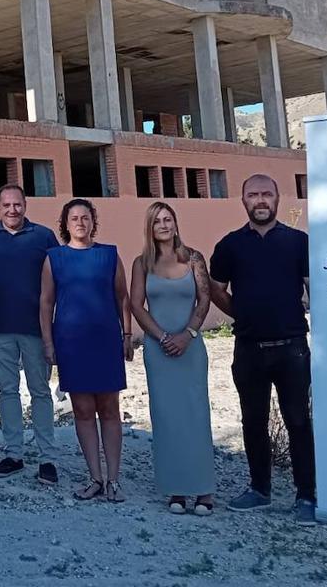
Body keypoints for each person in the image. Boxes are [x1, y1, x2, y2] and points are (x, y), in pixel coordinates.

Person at [209, 173, 316, 526]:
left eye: (266, 194)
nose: (260, 200)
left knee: (298, 421)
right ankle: (259, 489)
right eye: (253, 194)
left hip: (292, 348)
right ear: (243, 201)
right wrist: (241, 312)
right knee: (252, 421)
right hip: (249, 348)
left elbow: (313, 288)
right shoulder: (229, 246)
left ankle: (306, 495)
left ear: (277, 199)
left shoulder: (299, 242)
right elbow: (216, 289)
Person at [40, 198, 134, 503]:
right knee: (82, 410)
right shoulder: (54, 257)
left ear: (93, 221)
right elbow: (46, 303)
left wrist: (128, 334)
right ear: (65, 225)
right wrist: (48, 342)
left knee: (109, 409)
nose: (80, 222)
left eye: (85, 217)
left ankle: (114, 481)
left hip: (105, 340)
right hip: (71, 342)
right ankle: (95, 477)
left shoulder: (109, 255)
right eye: (74, 218)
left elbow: (122, 297)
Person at [129, 202, 216, 515]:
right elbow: (136, 306)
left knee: (195, 416)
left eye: (168, 219)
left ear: (176, 224)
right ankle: (176, 490)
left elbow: (204, 299)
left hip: (191, 349)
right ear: (150, 228)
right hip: (159, 350)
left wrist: (187, 334)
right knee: (166, 419)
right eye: (157, 221)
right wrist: (163, 337)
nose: (163, 225)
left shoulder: (194, 259)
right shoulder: (142, 264)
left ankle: (204, 490)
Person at [0, 184, 61, 485]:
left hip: (37, 329)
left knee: (40, 392)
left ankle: (47, 457)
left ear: (25, 205)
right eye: (6, 205)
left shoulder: (44, 237)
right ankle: (14, 454)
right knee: (7, 391)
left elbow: (57, 281)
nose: (12, 210)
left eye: (17, 204)